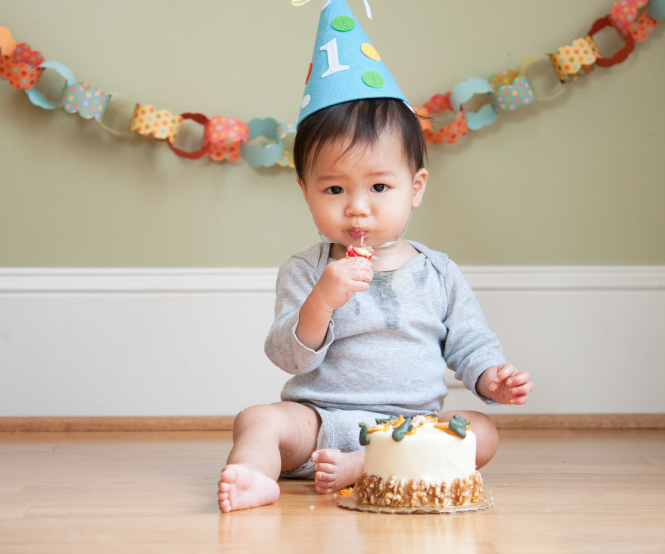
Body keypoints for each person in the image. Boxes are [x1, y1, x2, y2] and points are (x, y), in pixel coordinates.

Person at [217, 97, 534, 513]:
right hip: (321, 423)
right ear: (305, 192)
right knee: (256, 419)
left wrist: (490, 376)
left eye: (379, 187)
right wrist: (321, 301)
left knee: (481, 432)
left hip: (412, 428)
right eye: (334, 189)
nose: (357, 208)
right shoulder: (305, 271)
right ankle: (253, 478)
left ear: (415, 188)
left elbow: (470, 341)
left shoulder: (438, 272)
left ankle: (364, 465)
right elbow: (288, 358)